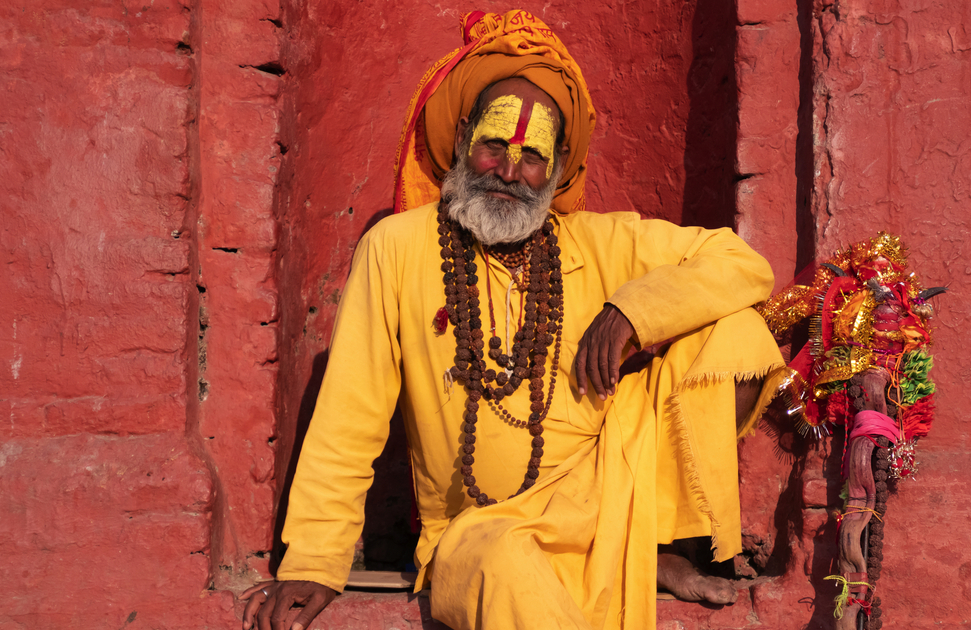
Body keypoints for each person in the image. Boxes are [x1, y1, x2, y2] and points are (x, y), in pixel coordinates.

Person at [241, 10, 784, 630]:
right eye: (494, 145)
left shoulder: (597, 244)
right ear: (462, 139)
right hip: (476, 531)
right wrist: (312, 559)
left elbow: (743, 265)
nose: (509, 171)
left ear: (555, 172)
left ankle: (648, 537)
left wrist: (633, 312)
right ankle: (629, 554)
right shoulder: (397, 248)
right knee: (503, 558)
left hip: (604, 496)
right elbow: (350, 412)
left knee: (740, 334)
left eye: (532, 157)